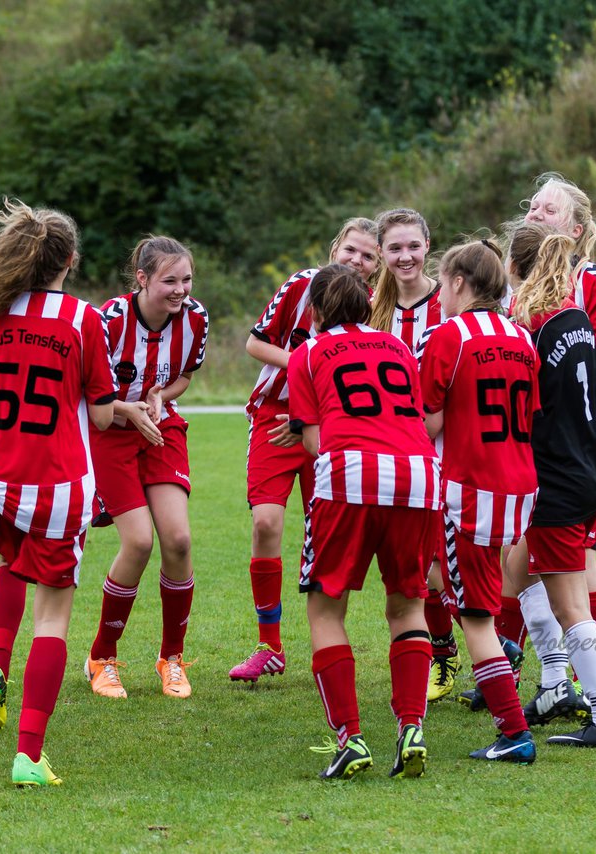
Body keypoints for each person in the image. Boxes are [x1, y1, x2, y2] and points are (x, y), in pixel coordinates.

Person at [0, 200, 116, 787]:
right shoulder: (83, 319)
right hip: (56, 483)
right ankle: (29, 755)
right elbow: (100, 417)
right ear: (69, 261)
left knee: (12, 562)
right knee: (53, 613)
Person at [286, 264, 441, 780]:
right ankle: (411, 727)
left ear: (315, 310)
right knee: (407, 604)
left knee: (327, 610)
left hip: (351, 476)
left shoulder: (307, 353)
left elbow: (313, 442)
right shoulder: (397, 346)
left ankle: (350, 739)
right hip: (419, 475)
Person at [229, 217, 379, 683]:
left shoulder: (374, 306)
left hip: (329, 431)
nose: (356, 260)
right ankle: (268, 645)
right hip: (276, 421)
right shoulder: (302, 285)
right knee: (266, 523)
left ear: (377, 267)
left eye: (368, 256)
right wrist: (304, 367)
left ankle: (326, 645)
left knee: (328, 544)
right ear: (336, 246)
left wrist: (312, 417)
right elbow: (255, 344)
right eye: (351, 250)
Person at [496, 173, 596, 663]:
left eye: (547, 210)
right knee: (519, 558)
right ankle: (510, 668)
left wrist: (562, 438)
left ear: (576, 230)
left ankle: (577, 677)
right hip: (543, 440)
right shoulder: (517, 285)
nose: (534, 213)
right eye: (532, 206)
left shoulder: (591, 281)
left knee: (577, 556)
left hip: (592, 440)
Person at [418, 237, 538, 763]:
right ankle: (504, 656)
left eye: (442, 283)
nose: (440, 293)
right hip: (517, 487)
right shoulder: (520, 336)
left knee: (475, 618)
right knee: (450, 581)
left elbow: (430, 420)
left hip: (468, 488)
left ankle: (514, 732)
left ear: (460, 283)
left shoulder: (449, 335)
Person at [84, 236, 209, 699]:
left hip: (160, 429)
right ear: (142, 279)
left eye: (187, 279)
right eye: (169, 280)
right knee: (138, 542)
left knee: (177, 539)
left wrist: (160, 396)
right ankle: (102, 657)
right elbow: (87, 393)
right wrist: (129, 407)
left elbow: (184, 376)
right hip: (111, 432)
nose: (181, 290)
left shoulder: (196, 317)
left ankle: (172, 659)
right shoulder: (108, 320)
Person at [367, 208, 459, 702]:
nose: (405, 256)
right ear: (381, 252)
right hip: (391, 450)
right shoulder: (369, 305)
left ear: (428, 245)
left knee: (452, 565)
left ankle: (499, 654)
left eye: (413, 246)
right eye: (394, 248)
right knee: (416, 566)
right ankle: (442, 653)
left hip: (445, 445)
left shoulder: (450, 302)